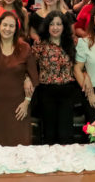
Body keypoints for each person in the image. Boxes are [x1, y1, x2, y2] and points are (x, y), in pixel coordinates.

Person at [0, 12, 38, 146]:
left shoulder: (24, 48)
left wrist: (26, 102)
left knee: (19, 146)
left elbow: (34, 78)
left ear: (16, 29)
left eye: (11, 26)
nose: (7, 29)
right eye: (5, 25)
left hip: (19, 106)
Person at [32, 11, 78, 144]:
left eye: (59, 24)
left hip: (67, 92)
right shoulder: (40, 44)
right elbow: (31, 66)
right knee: (49, 133)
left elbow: (78, 66)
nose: (55, 27)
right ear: (47, 26)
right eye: (52, 24)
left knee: (65, 133)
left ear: (64, 26)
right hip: (46, 91)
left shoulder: (71, 43)